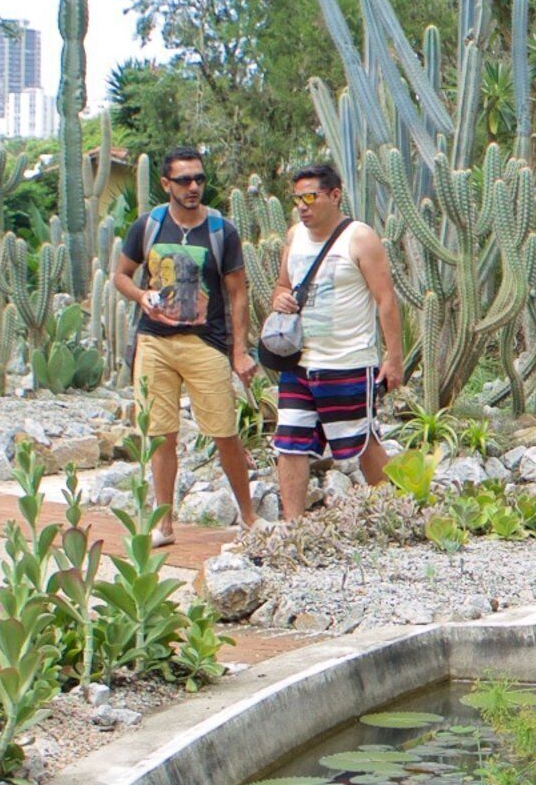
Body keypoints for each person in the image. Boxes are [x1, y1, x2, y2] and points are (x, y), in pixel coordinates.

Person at [112, 144, 258, 530]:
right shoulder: (148, 226)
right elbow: (121, 275)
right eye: (184, 180)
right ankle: (164, 523)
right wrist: (141, 295)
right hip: (154, 341)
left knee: (224, 431)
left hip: (204, 342)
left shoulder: (220, 231)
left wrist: (239, 351)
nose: (193, 186)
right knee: (160, 433)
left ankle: (248, 516)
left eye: (199, 178)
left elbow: (238, 293)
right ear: (166, 184)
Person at [267, 161, 406, 514]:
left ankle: (396, 511)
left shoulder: (359, 237)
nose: (302, 205)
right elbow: (283, 284)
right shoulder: (293, 237)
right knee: (290, 442)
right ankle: (293, 528)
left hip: (346, 361)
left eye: (311, 197)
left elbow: (385, 299)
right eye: (297, 198)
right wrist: (280, 298)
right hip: (299, 360)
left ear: (335, 195)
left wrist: (393, 358)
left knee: (361, 441)